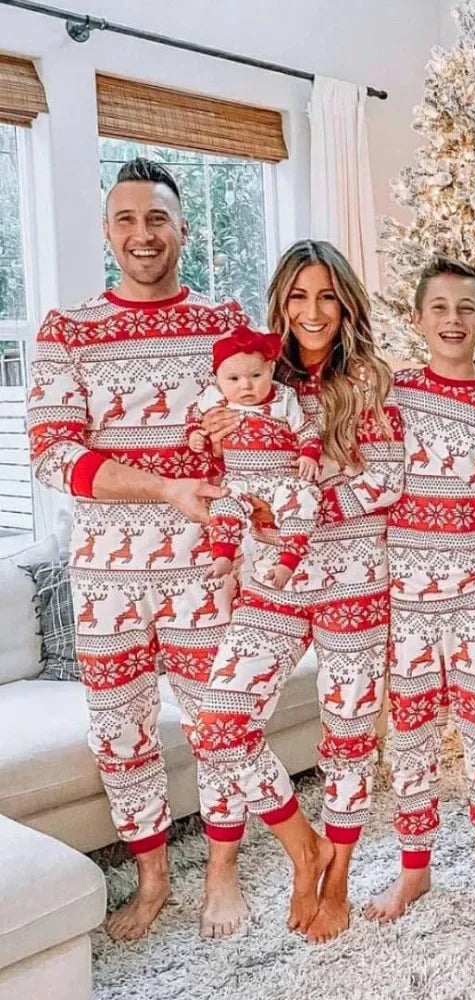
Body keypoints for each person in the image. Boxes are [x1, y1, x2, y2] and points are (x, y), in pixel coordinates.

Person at [27, 157, 250, 940]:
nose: (142, 234)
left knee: (222, 723)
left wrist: (233, 521)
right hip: (105, 581)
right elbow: (55, 455)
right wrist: (164, 487)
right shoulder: (68, 333)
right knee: (118, 731)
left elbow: (251, 443)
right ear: (107, 232)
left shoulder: (226, 325)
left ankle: (222, 871)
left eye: (157, 218)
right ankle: (153, 877)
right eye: (126, 219)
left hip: (205, 571)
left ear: (183, 228)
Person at [195, 239, 403, 941]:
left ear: (346, 303)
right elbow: (222, 466)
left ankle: (337, 875)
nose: (312, 312)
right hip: (271, 585)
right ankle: (303, 848)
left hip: (352, 584)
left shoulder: (372, 381)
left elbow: (388, 482)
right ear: (280, 303)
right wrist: (217, 437)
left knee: (348, 739)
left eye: (326, 296)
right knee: (221, 721)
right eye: (298, 296)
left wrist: (309, 502)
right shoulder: (252, 378)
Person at [366, 255, 475, 925]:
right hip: (405, 609)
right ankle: (415, 872)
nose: (453, 320)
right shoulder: (390, 397)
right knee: (409, 744)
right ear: (417, 319)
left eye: (466, 307)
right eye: (438, 307)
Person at [189, 326, 322, 589]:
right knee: (223, 504)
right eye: (234, 379)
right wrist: (197, 435)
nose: (246, 385)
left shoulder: (284, 398)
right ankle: (224, 554)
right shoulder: (215, 399)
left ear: (271, 369)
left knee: (302, 500)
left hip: (282, 478)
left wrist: (309, 454)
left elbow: (306, 429)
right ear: (217, 378)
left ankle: (287, 561)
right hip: (240, 479)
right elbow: (196, 422)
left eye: (256, 375)